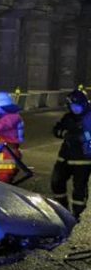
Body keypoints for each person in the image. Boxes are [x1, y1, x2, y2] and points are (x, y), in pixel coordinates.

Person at [52, 89, 91, 218]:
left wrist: (80, 137)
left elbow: (88, 137)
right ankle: (62, 212)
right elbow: (57, 129)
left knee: (79, 189)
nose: (75, 109)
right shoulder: (68, 117)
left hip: (83, 160)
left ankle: (77, 216)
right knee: (56, 182)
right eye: (72, 106)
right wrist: (64, 133)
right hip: (65, 157)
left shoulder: (89, 117)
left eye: (77, 106)